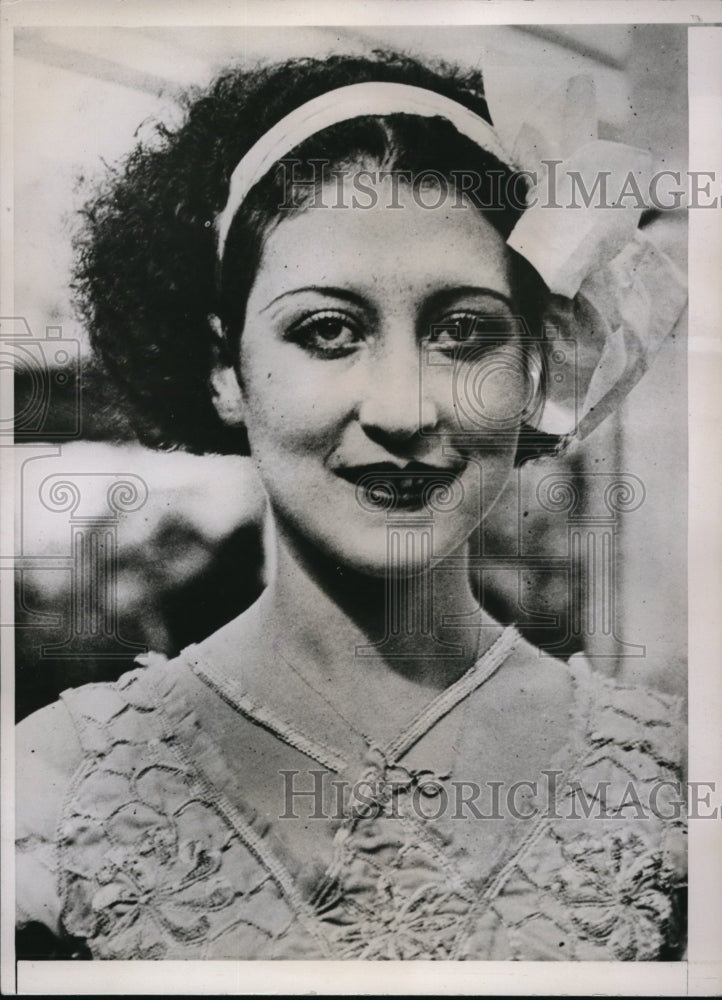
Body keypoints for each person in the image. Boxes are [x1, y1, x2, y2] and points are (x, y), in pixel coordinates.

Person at [16, 50, 687, 961]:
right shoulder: (56, 792)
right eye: (327, 330)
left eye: (463, 333)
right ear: (225, 367)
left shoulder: (672, 784)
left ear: (536, 365)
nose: (403, 410)